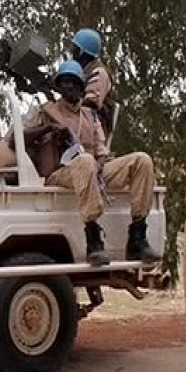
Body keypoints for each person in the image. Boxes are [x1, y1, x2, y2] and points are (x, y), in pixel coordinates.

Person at [22, 60, 160, 266]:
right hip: (60, 173)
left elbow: (101, 148)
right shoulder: (45, 111)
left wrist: (101, 163)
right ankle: (93, 239)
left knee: (142, 161)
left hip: (92, 169)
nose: (69, 87)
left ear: (81, 87)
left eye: (74, 82)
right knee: (85, 161)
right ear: (58, 86)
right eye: (64, 82)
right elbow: (17, 139)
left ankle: (138, 236)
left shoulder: (90, 115)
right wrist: (47, 130)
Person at [70, 28, 115, 134]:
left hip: (94, 126)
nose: (72, 51)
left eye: (75, 48)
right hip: (80, 119)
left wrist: (69, 100)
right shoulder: (83, 70)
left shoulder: (99, 73)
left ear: (82, 52)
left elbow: (91, 103)